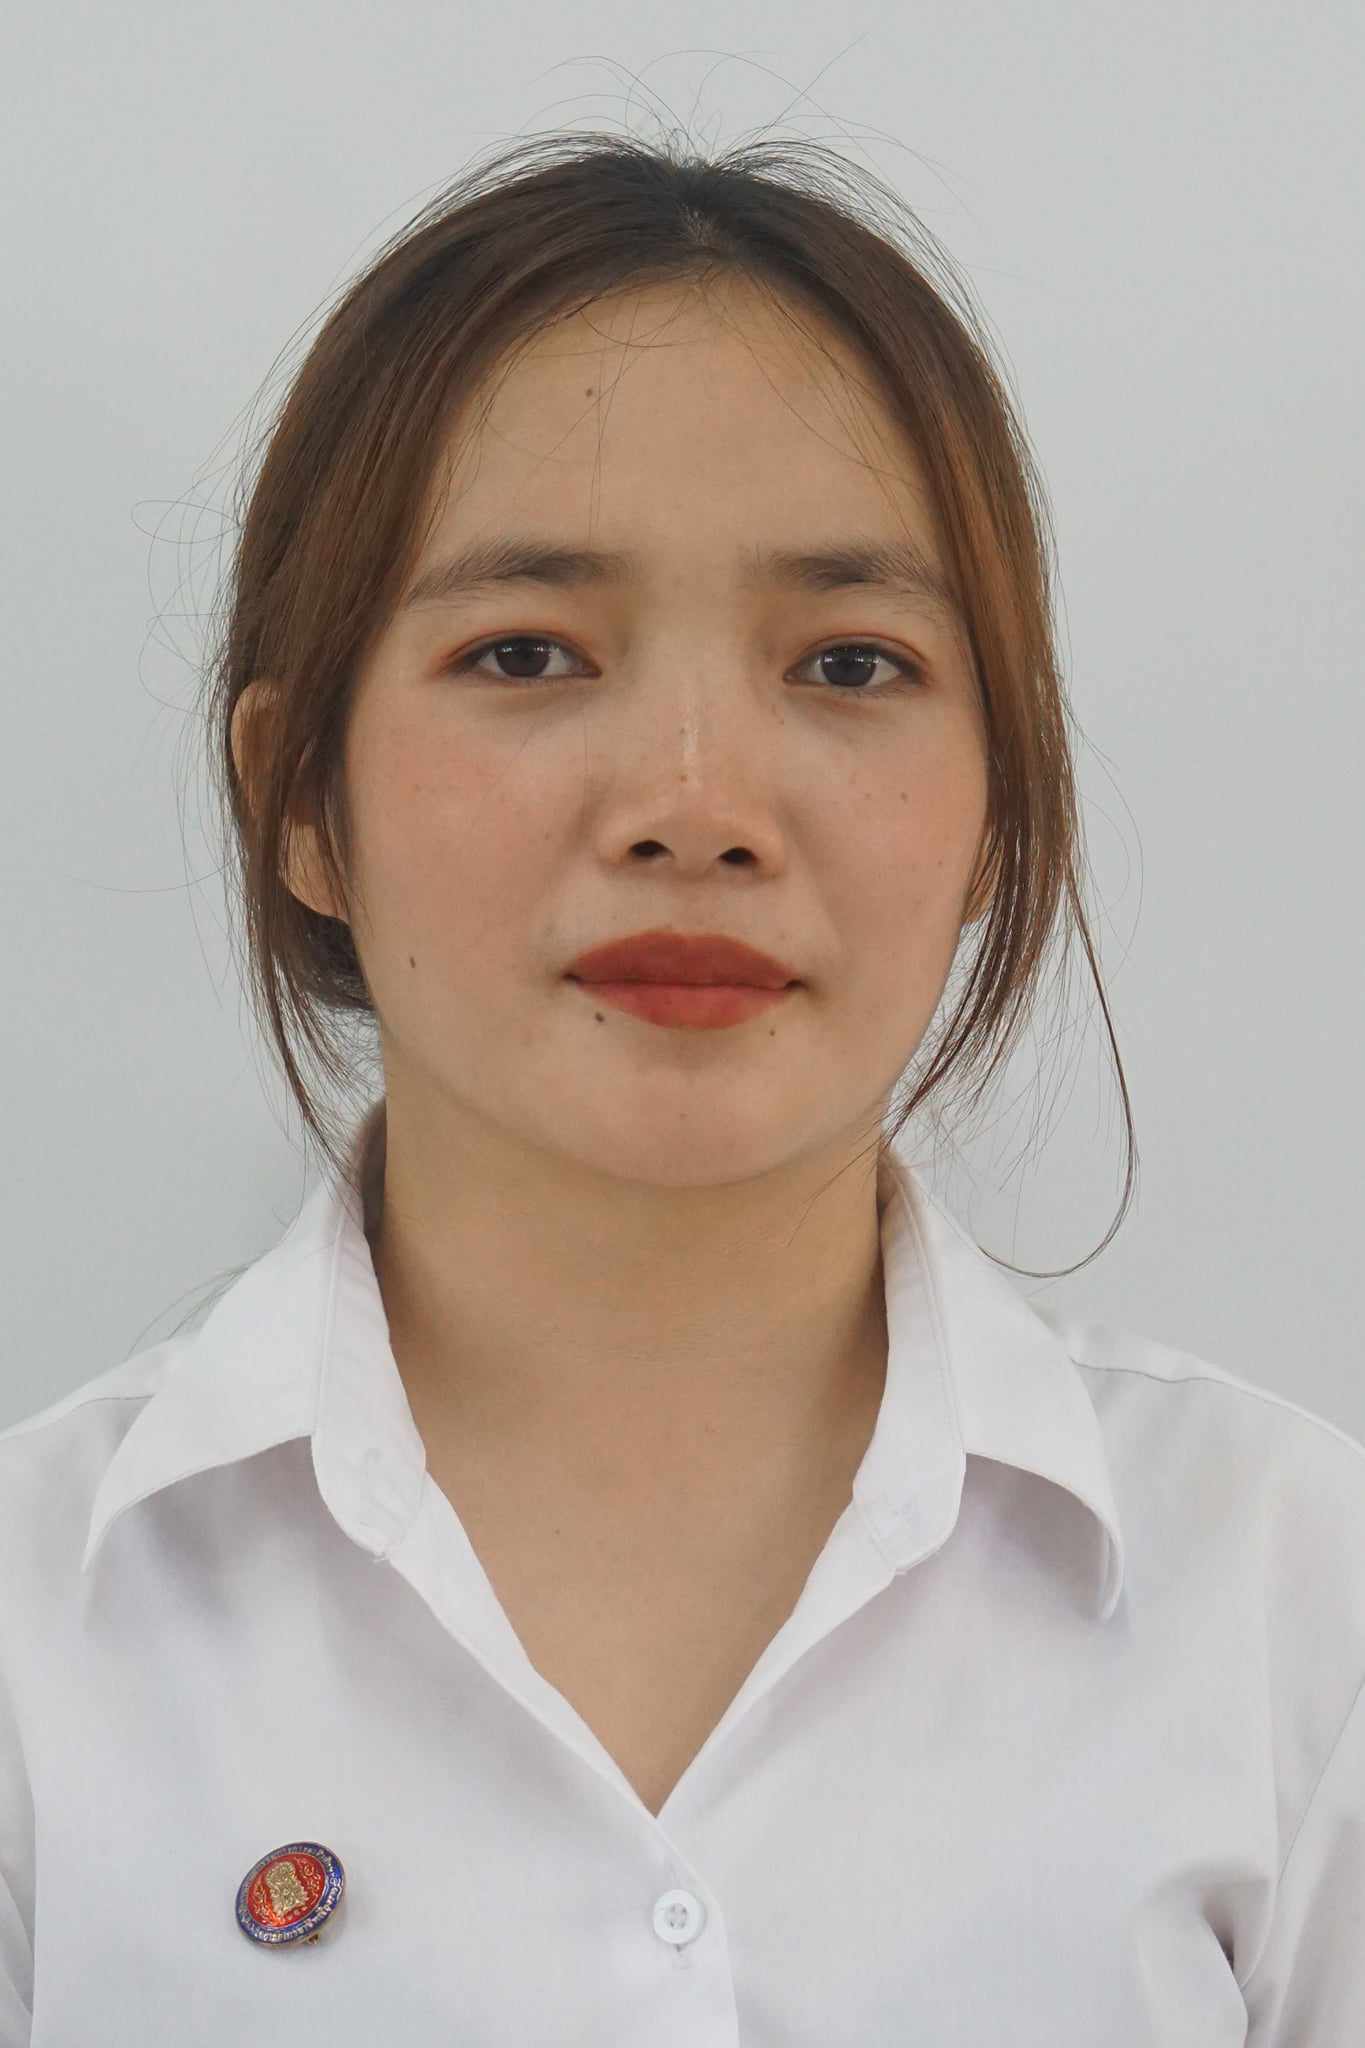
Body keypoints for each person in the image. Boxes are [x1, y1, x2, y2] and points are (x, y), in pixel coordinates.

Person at [2, 129, 1362, 2044]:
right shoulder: (38, 1637)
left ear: (994, 810)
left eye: (851, 664)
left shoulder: (1291, 1594)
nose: (697, 807)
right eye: (527, 651)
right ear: (297, 795)